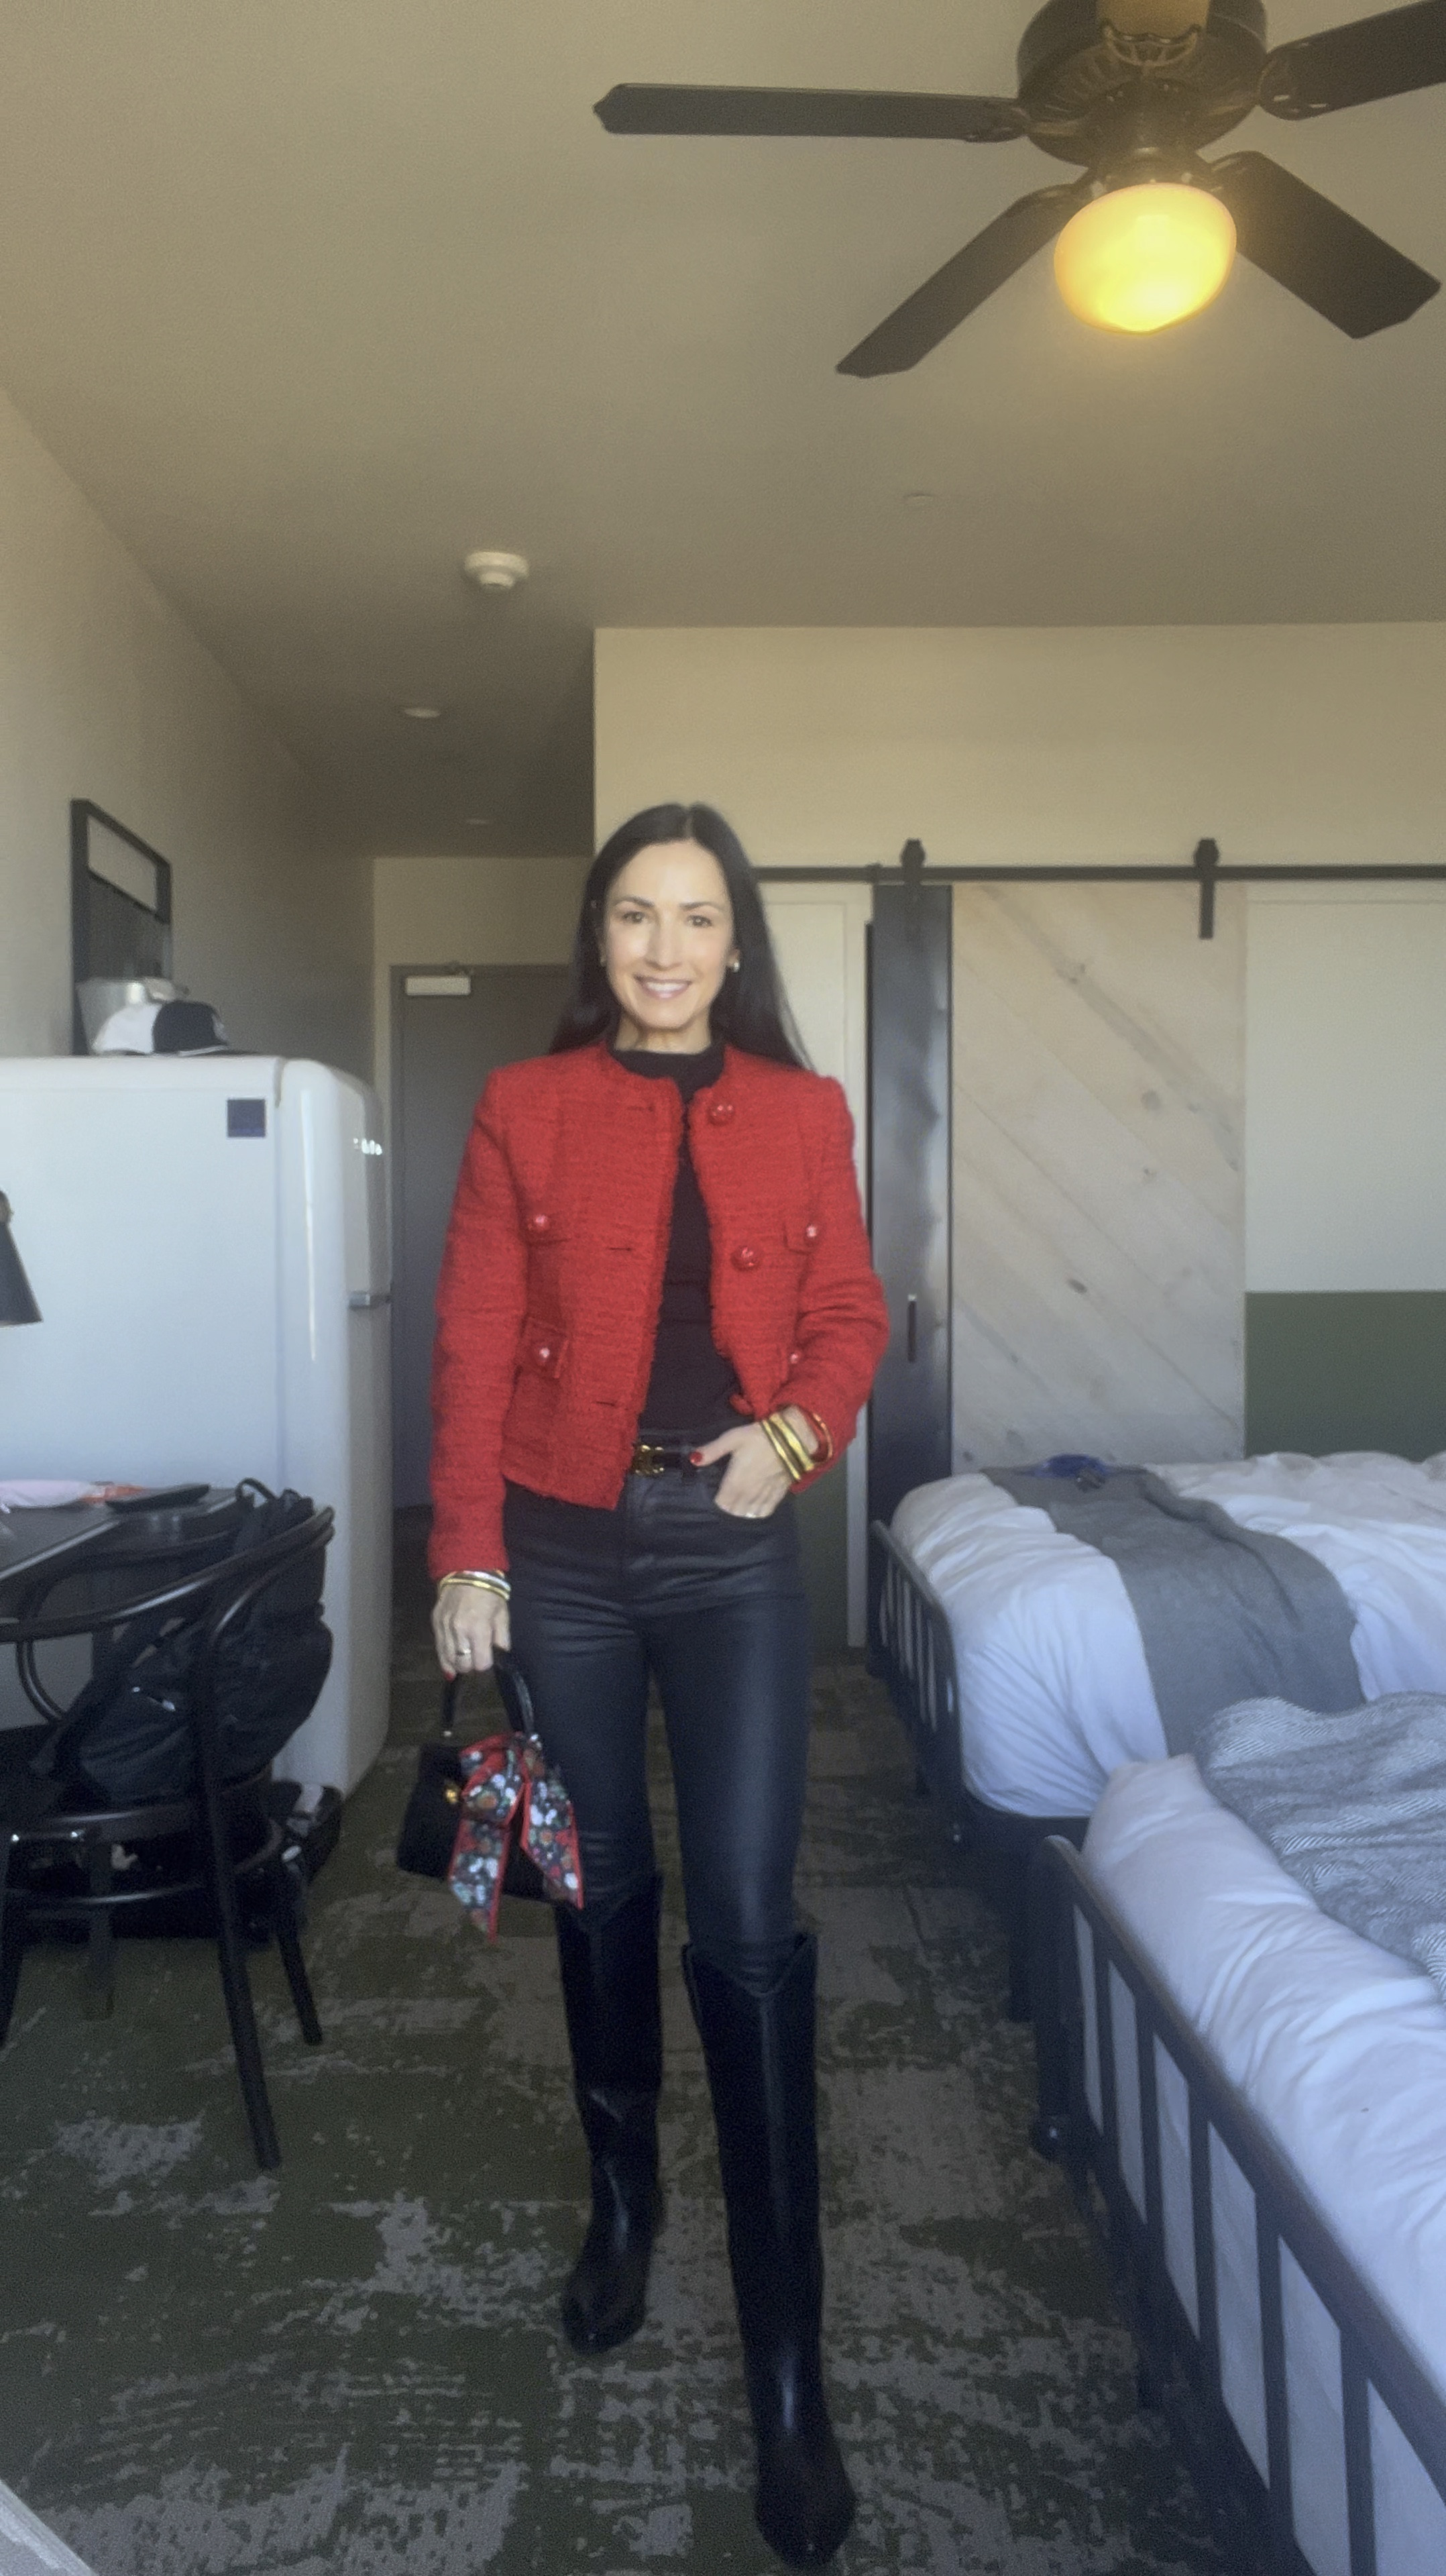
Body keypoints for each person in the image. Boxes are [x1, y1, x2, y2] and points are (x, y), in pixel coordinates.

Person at [428, 801, 889, 2568]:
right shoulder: (524, 1105)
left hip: (730, 1541)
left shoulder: (800, 1110)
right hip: (556, 1542)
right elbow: (470, 1335)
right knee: (598, 1881)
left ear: (735, 941)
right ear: (597, 935)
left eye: (696, 917)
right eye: (635, 914)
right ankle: (622, 2199)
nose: (665, 946)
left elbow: (850, 1309)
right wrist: (463, 1546)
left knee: (750, 1921)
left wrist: (797, 1429)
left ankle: (789, 2376)